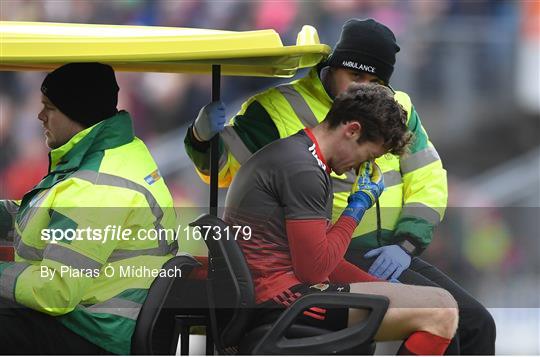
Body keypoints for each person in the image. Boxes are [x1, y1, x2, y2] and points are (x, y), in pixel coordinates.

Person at [184, 18, 495, 354]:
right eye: (356, 76)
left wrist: (406, 243)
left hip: (388, 252)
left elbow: (428, 176)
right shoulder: (281, 114)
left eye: (375, 81)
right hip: (327, 250)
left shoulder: (396, 107)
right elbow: (222, 170)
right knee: (437, 316)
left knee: (472, 322)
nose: (362, 87)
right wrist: (203, 137)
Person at [224, 83, 458, 355]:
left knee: (437, 303)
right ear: (352, 130)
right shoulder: (304, 170)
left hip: (282, 294)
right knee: (441, 311)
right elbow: (315, 269)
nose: (361, 168)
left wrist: (379, 287)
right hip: (284, 303)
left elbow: (324, 261)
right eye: (368, 156)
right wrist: (357, 207)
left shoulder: (302, 157)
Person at [0, 63, 178, 354]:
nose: (39, 116)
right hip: (95, 321)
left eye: (50, 108)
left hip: (91, 332)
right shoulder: (120, 151)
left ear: (77, 113)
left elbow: (55, 290)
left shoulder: (94, 187)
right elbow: (47, 216)